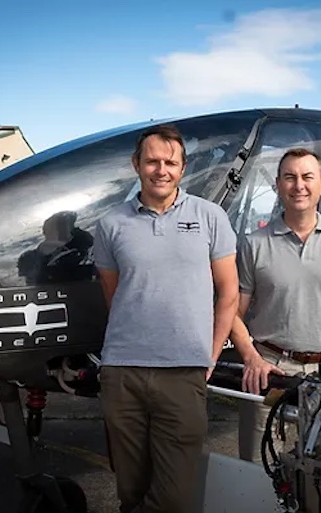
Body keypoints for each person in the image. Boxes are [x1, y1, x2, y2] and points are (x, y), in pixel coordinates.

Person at [93, 124, 239, 513]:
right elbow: (115, 294)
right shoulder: (110, 225)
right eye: (152, 161)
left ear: (183, 167)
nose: (162, 170)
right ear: (136, 164)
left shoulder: (210, 217)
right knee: (131, 489)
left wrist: (209, 354)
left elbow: (228, 292)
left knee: (174, 496)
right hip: (122, 371)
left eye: (170, 162)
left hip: (184, 371)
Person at [230, 147, 321, 464]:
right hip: (269, 370)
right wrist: (250, 357)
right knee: (257, 468)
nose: (299, 185)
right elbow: (233, 310)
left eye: (307, 177)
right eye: (290, 177)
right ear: (277, 185)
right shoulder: (253, 245)